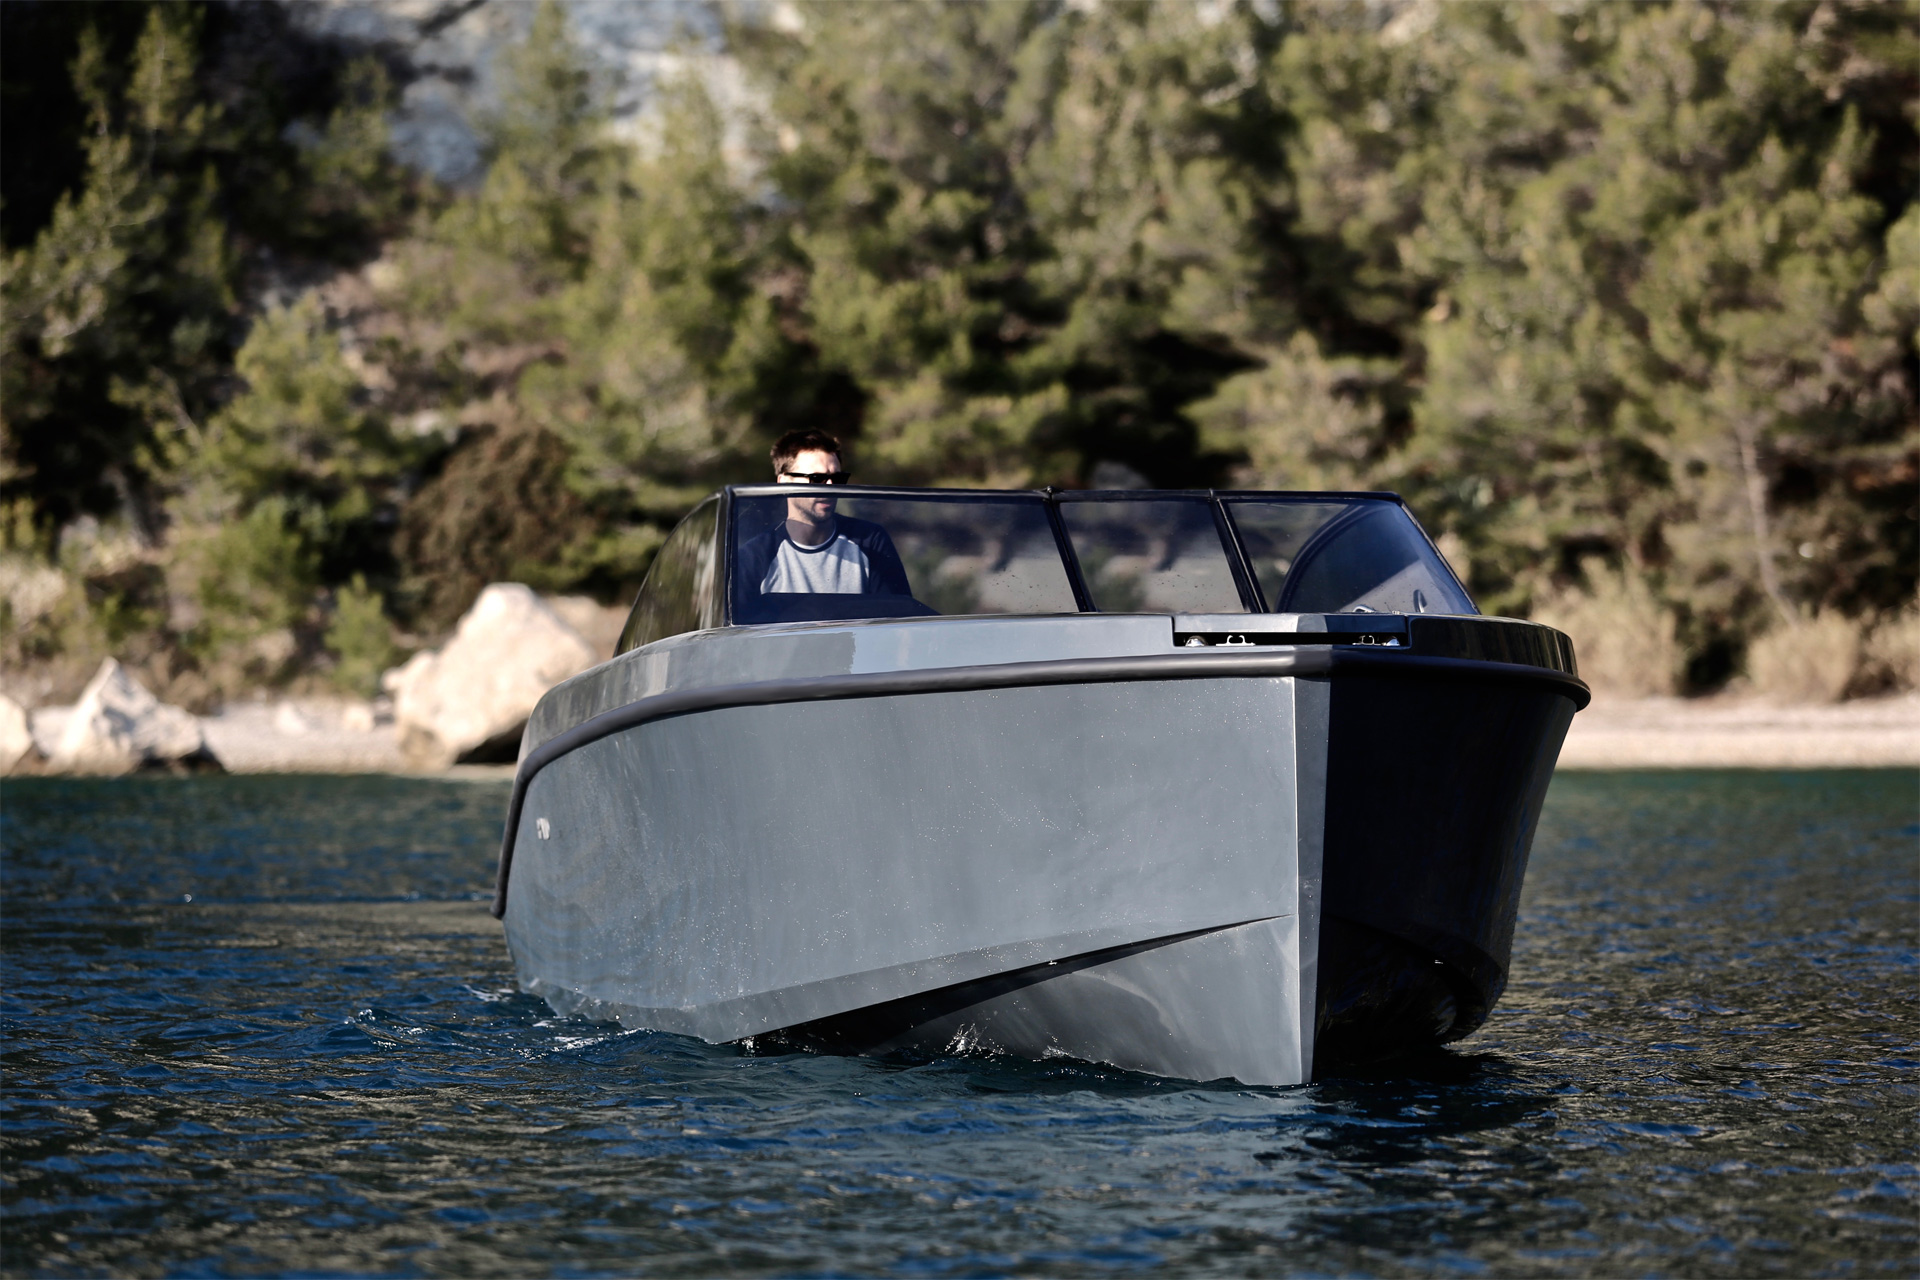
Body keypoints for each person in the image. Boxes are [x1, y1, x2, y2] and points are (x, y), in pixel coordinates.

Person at [735, 429, 912, 597]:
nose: (830, 487)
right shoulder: (754, 557)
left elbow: (898, 614)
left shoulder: (871, 541)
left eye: (837, 478)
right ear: (784, 482)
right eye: (817, 479)